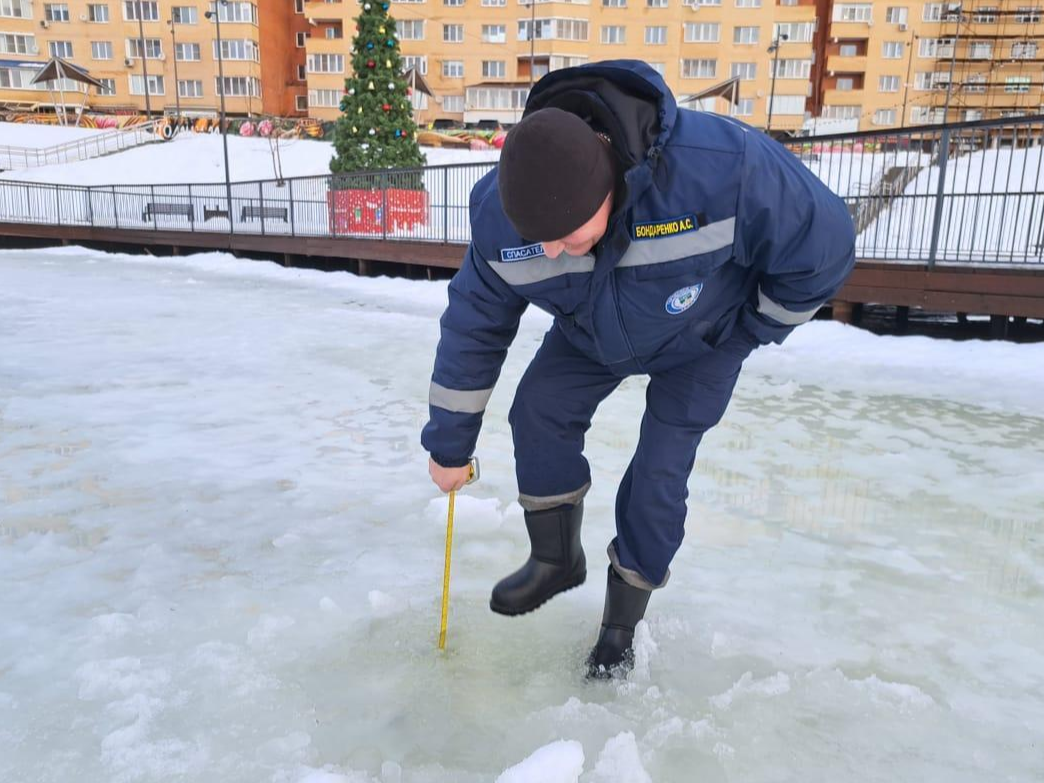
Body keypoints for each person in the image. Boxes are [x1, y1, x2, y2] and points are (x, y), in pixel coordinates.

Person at [421, 60, 856, 679]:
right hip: (590, 333)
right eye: (536, 236)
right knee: (538, 410)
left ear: (608, 185)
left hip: (704, 337)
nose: (548, 249)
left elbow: (825, 244)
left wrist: (754, 330)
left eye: (567, 235)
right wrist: (448, 445)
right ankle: (556, 559)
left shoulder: (721, 169)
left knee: (658, 471)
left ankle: (619, 625)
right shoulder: (500, 216)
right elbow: (474, 323)